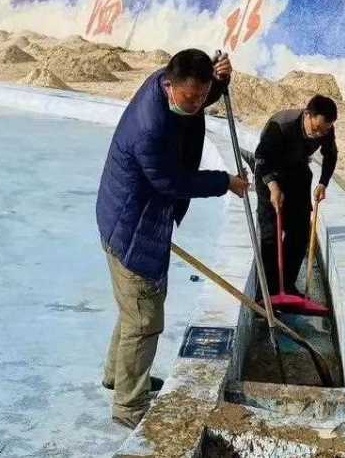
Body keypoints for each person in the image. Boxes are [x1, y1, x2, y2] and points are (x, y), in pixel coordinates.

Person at [96, 48, 249, 428]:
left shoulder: (176, 89)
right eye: (190, 98)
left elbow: (199, 92)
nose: (197, 105)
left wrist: (221, 81)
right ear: (169, 86)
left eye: (203, 96)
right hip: (133, 226)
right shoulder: (149, 128)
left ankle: (119, 377)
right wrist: (224, 182)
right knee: (144, 318)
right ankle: (129, 405)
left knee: (134, 309)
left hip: (141, 218)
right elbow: (170, 181)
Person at [253, 94, 338, 299]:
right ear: (307, 115)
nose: (319, 134)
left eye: (324, 130)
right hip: (269, 173)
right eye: (316, 129)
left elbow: (330, 154)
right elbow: (262, 158)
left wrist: (323, 182)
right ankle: (268, 293)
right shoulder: (281, 125)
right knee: (271, 234)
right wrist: (273, 187)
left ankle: (287, 286)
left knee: (299, 232)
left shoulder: (326, 129)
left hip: (298, 172)